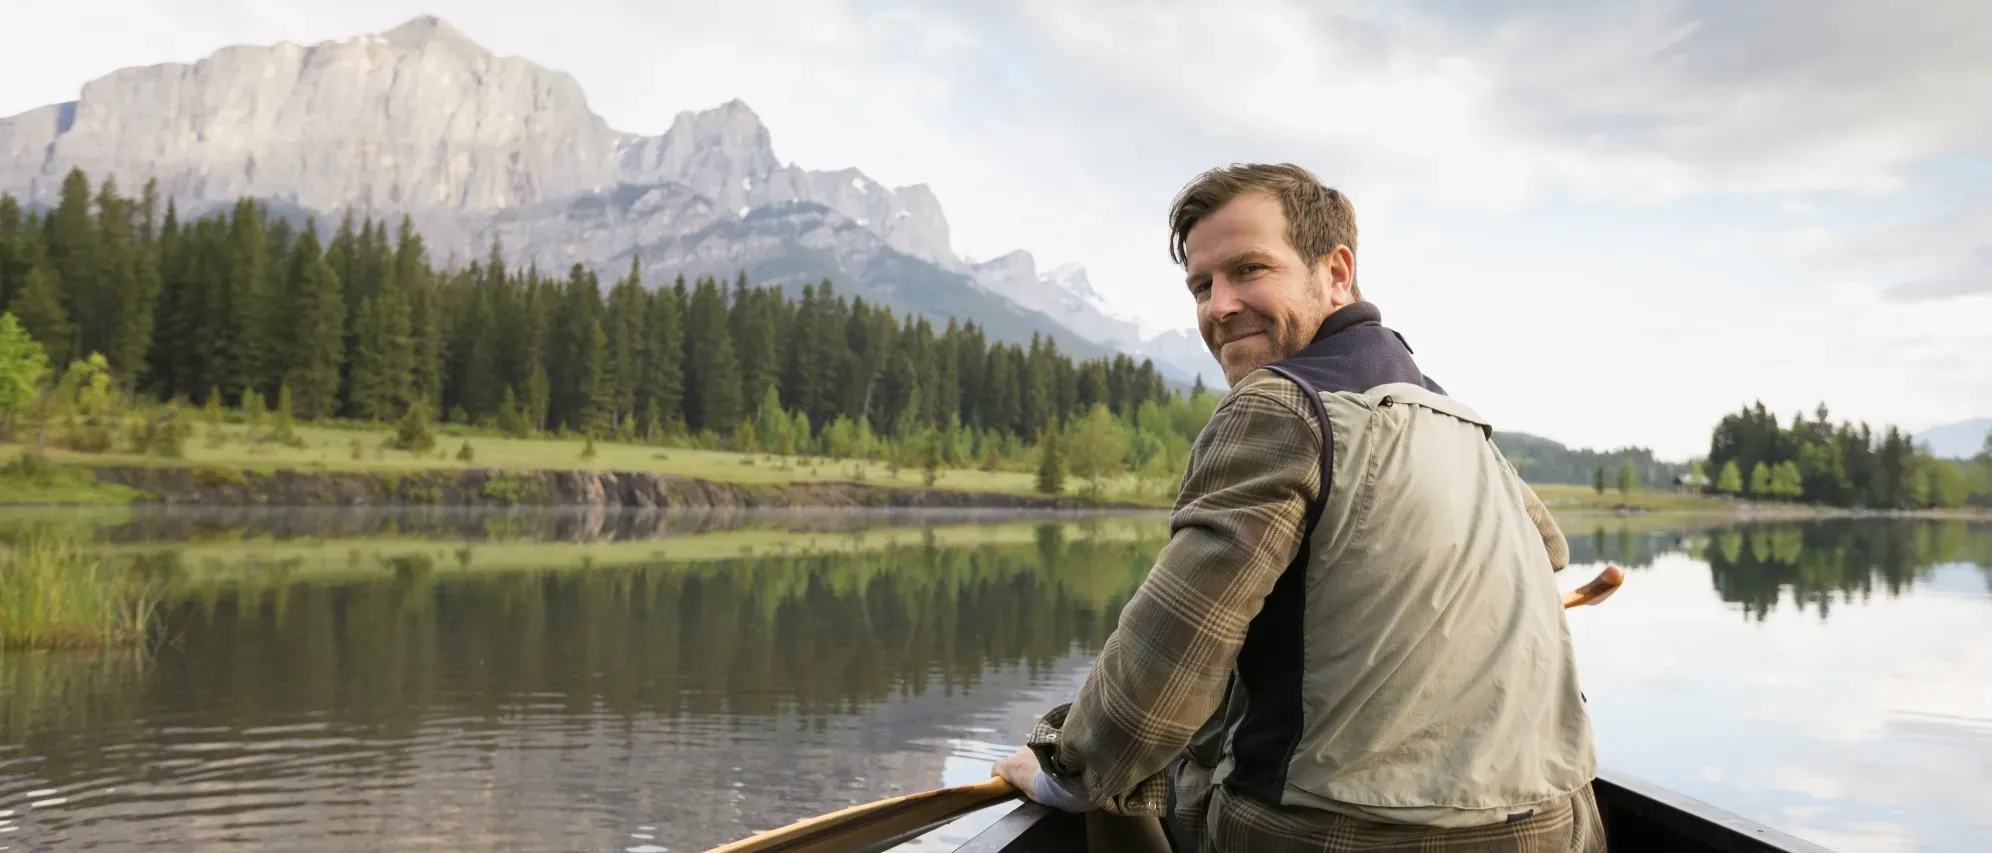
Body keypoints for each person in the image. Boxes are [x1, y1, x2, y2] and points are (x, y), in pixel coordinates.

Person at [991, 163, 1604, 852]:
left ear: (1336, 272)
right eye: (1202, 284)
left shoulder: (1281, 406)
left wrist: (1064, 766)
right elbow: (1549, 550)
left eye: (1248, 270)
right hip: (1560, 828)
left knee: (1131, 774)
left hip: (1340, 839)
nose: (1218, 306)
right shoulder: (1454, 416)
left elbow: (1156, 680)